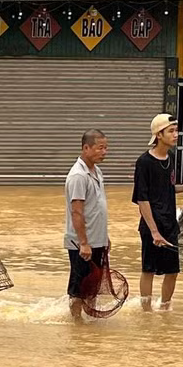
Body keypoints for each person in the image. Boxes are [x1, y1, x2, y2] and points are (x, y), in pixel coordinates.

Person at [132, 114, 183, 312]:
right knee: (148, 270)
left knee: (173, 271)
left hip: (170, 223)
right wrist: (154, 231)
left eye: (176, 130)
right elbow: (142, 198)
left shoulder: (171, 158)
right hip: (152, 225)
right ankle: (146, 312)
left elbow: (168, 187)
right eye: (171, 131)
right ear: (159, 135)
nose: (176, 135)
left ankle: (165, 309)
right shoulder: (144, 162)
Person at [64, 130, 111, 323]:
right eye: (100, 148)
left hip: (97, 240)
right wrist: (84, 243)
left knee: (92, 285)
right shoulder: (78, 175)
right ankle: (76, 323)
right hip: (82, 244)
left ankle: (88, 322)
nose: (104, 152)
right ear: (86, 148)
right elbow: (77, 212)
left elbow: (96, 208)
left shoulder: (96, 171)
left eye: (106, 148)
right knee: (78, 288)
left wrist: (104, 237)